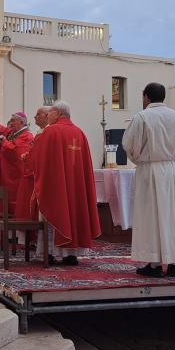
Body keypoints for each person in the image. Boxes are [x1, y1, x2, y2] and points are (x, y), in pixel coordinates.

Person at [123, 83, 175, 277]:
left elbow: (129, 145)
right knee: (172, 215)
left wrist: (140, 160)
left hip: (150, 169)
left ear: (146, 97)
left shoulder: (142, 117)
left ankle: (154, 264)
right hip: (171, 169)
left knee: (150, 216)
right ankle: (174, 262)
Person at [31, 101, 101, 265]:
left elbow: (39, 160)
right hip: (76, 185)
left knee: (56, 211)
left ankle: (50, 253)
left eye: (50, 113)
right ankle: (71, 254)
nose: (48, 116)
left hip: (56, 185)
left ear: (57, 113)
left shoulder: (50, 131)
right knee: (74, 213)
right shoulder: (80, 133)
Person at [0, 108, 34, 216]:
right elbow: (0, 128)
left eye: (13, 120)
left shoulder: (27, 136)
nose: (11, 122)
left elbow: (16, 151)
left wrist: (4, 141)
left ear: (21, 122)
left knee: (12, 200)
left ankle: (14, 222)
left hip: (15, 174)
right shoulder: (13, 132)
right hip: (6, 172)